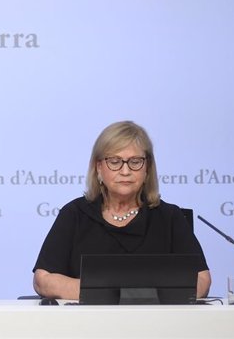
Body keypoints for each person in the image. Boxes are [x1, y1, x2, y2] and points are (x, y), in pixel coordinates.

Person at [32, 121, 211, 300]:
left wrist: (131, 296)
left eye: (135, 162)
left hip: (156, 323)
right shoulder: (74, 214)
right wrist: (105, 294)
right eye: (115, 161)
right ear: (98, 167)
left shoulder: (170, 217)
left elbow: (202, 279)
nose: (125, 171)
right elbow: (43, 279)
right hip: (87, 324)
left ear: (147, 168)